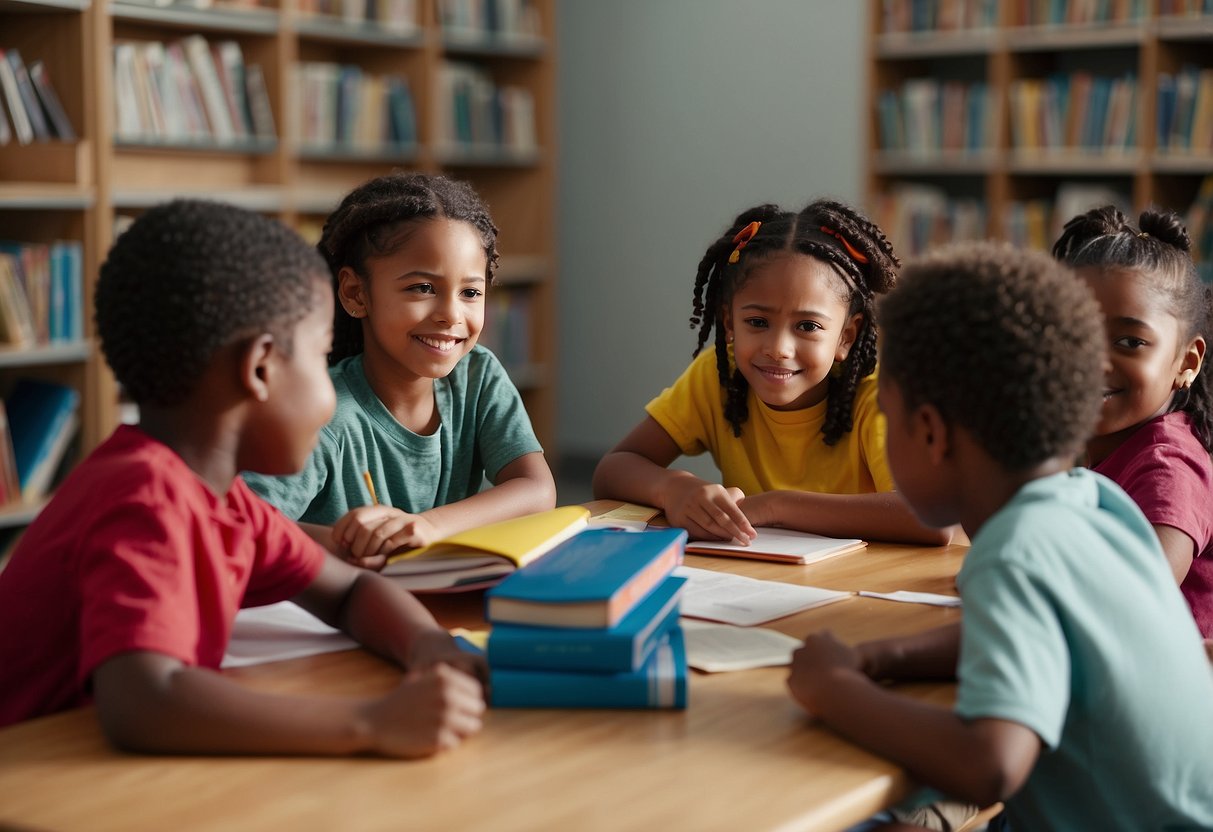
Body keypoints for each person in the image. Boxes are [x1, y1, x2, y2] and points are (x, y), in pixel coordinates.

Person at [0, 200, 486, 758]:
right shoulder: (146, 499)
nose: (331, 395)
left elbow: (350, 590)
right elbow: (143, 700)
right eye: (322, 355)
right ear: (260, 369)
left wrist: (430, 647)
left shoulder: (223, 498)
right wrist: (371, 722)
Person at [788, 242, 1213, 830]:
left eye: (888, 419)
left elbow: (991, 764)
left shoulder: (1016, 549)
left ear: (931, 433)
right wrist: (881, 655)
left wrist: (833, 690)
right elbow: (1038, 635)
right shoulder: (1094, 500)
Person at [245, 173, 555, 570]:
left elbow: (537, 488)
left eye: (470, 293)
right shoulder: (325, 416)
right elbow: (245, 523)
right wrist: (349, 546)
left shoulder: (478, 376)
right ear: (357, 294)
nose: (450, 314)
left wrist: (427, 526)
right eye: (423, 288)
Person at [593, 199, 948, 545]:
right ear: (729, 322)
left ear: (846, 337)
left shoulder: (877, 393)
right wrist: (674, 488)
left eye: (807, 326)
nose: (778, 348)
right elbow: (613, 469)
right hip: (759, 583)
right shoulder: (717, 376)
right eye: (758, 322)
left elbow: (933, 518)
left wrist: (778, 505)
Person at [1053, 206, 1213, 644]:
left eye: (1130, 342)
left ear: (1187, 361)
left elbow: (1131, 605)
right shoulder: (1089, 449)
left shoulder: (1168, 466)